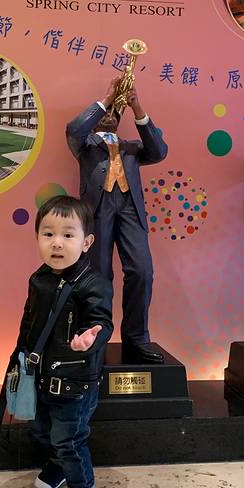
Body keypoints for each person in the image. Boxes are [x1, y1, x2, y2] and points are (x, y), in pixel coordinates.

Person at [15, 195, 113, 488]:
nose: (57, 243)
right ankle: (58, 466)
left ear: (86, 243)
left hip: (75, 383)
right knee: (42, 430)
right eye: (48, 234)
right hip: (40, 376)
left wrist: (90, 338)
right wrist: (19, 356)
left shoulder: (94, 284)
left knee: (69, 438)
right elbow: (28, 323)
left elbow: (102, 322)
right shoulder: (39, 278)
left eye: (68, 235)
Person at [66, 78, 168, 364]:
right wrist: (107, 99)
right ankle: (94, 336)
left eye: (115, 111)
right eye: (106, 111)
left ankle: (136, 338)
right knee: (98, 275)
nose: (110, 114)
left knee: (142, 271)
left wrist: (136, 107)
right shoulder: (84, 145)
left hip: (130, 210)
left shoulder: (132, 148)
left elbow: (159, 152)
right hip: (97, 210)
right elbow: (74, 129)